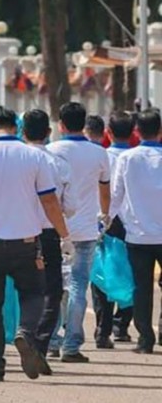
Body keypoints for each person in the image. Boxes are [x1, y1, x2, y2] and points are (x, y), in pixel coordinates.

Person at [0, 106, 71, 382]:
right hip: (27, 241)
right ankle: (25, 333)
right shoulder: (33, 156)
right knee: (33, 293)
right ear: (15, 127)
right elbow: (49, 200)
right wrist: (64, 235)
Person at [47, 103, 111, 362]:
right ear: (83, 124)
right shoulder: (98, 153)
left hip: (55, 227)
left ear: (60, 125)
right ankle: (72, 344)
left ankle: (51, 339)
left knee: (53, 286)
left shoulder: (50, 151)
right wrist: (104, 216)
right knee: (78, 285)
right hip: (85, 230)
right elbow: (105, 190)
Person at [109, 108, 162, 354]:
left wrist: (106, 222)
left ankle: (145, 339)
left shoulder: (127, 159)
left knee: (141, 288)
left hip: (137, 234)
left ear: (136, 131)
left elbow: (115, 196)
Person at [22, 109, 73, 362]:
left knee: (26, 288)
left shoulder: (15, 159)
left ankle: (24, 333)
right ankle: (40, 343)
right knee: (52, 291)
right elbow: (69, 206)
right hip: (49, 233)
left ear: (23, 132)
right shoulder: (58, 163)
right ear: (49, 132)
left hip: (19, 232)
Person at [94, 111, 135, 347]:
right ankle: (122, 325)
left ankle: (103, 328)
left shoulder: (101, 156)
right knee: (130, 272)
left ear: (108, 132)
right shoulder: (135, 156)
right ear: (132, 133)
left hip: (104, 219)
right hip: (132, 222)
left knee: (101, 273)